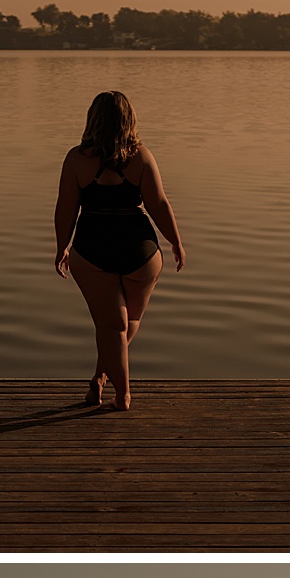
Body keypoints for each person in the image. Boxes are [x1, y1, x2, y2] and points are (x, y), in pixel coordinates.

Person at [53, 91, 186, 412]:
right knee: (130, 320)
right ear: (129, 119)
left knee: (111, 326)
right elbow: (159, 204)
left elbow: (65, 208)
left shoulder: (76, 159)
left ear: (92, 119)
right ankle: (101, 378)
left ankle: (120, 393)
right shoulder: (141, 156)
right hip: (140, 249)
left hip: (92, 247)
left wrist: (61, 248)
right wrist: (175, 241)